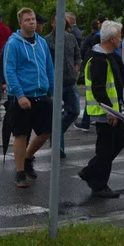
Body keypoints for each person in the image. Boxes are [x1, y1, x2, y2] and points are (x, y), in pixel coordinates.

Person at [3, 8, 56, 189]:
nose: (32, 22)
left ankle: (27, 157)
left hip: (42, 94)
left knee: (45, 131)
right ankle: (20, 172)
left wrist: (53, 90)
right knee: (21, 134)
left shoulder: (41, 43)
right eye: (27, 20)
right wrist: (19, 95)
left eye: (33, 19)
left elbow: (49, 67)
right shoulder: (14, 43)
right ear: (20, 23)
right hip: (22, 96)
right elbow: (9, 70)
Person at [77, 20, 124, 198]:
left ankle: (91, 172)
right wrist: (110, 111)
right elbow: (98, 88)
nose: (121, 39)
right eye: (119, 36)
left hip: (113, 110)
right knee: (106, 148)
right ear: (112, 38)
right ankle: (98, 185)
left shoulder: (110, 55)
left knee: (118, 143)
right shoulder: (98, 59)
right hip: (105, 112)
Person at [45, 14, 82, 158]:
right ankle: (58, 147)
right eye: (56, 22)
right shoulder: (47, 41)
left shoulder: (70, 37)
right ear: (52, 24)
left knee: (74, 111)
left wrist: (77, 66)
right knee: (55, 116)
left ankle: (55, 133)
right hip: (55, 83)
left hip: (70, 81)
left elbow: (77, 54)